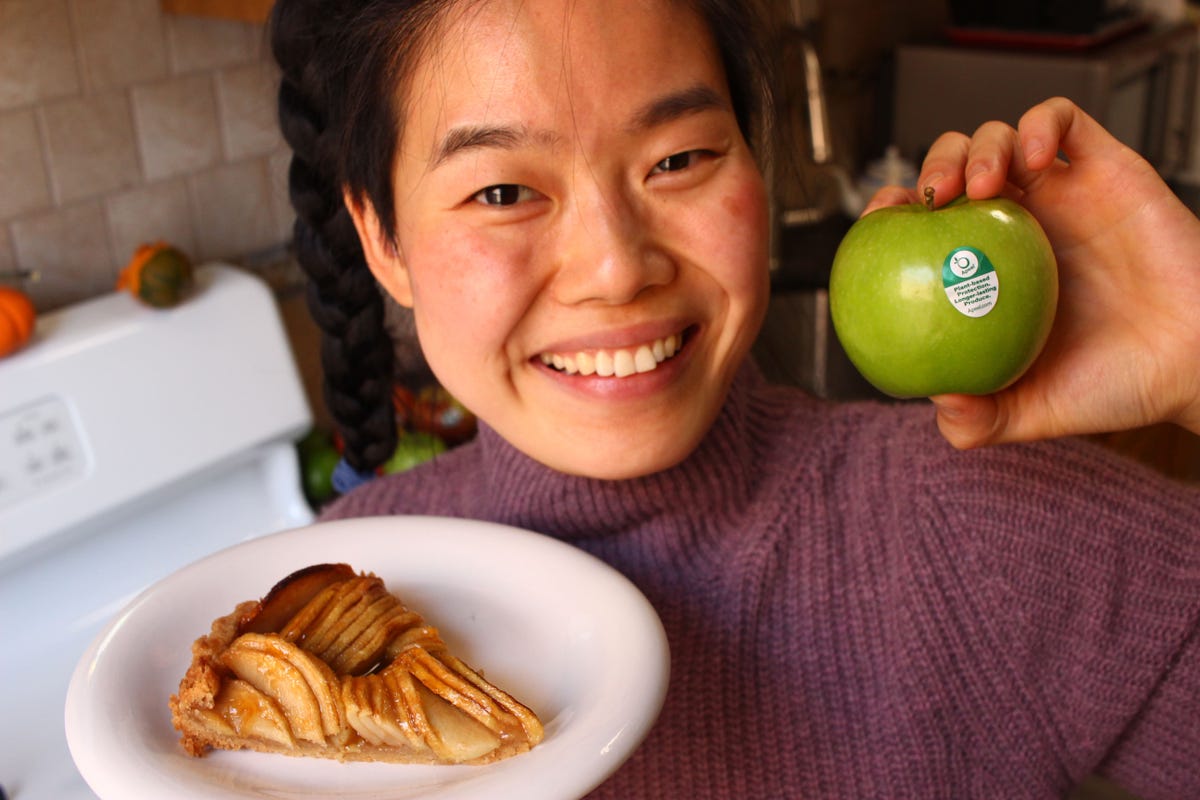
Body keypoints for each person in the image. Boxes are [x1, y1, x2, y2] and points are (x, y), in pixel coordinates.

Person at [270, 1, 1200, 797]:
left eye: (677, 160)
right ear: (382, 239)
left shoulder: (994, 529)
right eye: (504, 189)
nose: (617, 267)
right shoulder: (334, 614)